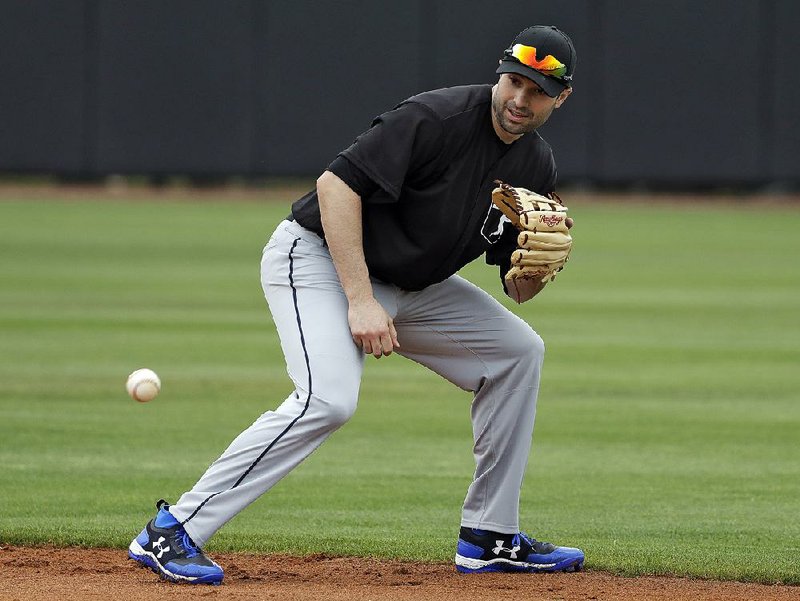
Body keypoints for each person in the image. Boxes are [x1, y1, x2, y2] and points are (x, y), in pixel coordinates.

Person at [128, 25, 584, 585]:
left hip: (415, 285)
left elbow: (516, 286)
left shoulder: (535, 166)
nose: (519, 99)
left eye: (537, 90)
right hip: (318, 259)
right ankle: (174, 529)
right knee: (328, 400)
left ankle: (490, 536)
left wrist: (540, 269)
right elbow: (335, 186)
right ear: (500, 75)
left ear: (560, 97)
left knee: (519, 352)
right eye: (514, 81)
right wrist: (361, 300)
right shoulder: (435, 118)